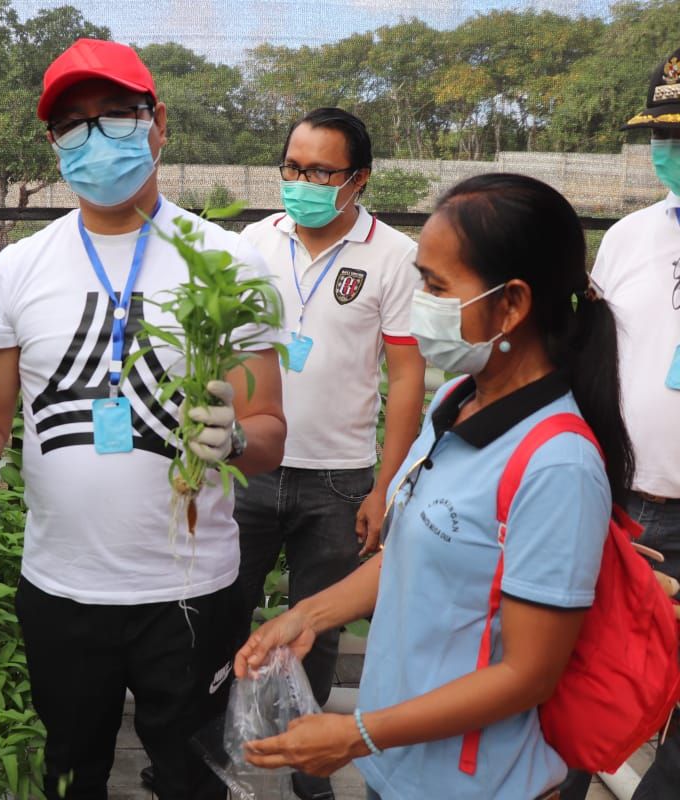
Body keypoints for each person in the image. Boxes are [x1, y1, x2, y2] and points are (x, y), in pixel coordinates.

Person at [0, 38, 287, 799]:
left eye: (115, 115)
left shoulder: (226, 260)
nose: (93, 137)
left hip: (192, 590)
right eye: (71, 124)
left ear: (159, 123)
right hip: (63, 587)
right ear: (52, 143)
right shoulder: (19, 267)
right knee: (72, 771)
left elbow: (270, 432)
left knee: (191, 776)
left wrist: (236, 439)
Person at [234, 173, 634, 799]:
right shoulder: (456, 401)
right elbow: (419, 550)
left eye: (436, 286)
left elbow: (528, 674)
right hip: (400, 766)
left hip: (476, 783)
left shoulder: (556, 464)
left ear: (512, 304)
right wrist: (307, 614)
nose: (421, 300)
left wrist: (355, 733)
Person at [232, 107, 425, 800]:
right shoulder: (252, 242)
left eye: (320, 171)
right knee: (225, 614)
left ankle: (307, 776)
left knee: (313, 633)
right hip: (248, 466)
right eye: (292, 167)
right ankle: (209, 756)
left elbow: (406, 377)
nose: (301, 182)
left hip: (339, 481)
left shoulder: (394, 256)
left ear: (358, 180)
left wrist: (387, 486)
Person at [575, 46, 680, 800]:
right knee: (593, 681)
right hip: (633, 501)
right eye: (665, 135)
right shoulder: (629, 237)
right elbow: (594, 360)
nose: (669, 151)